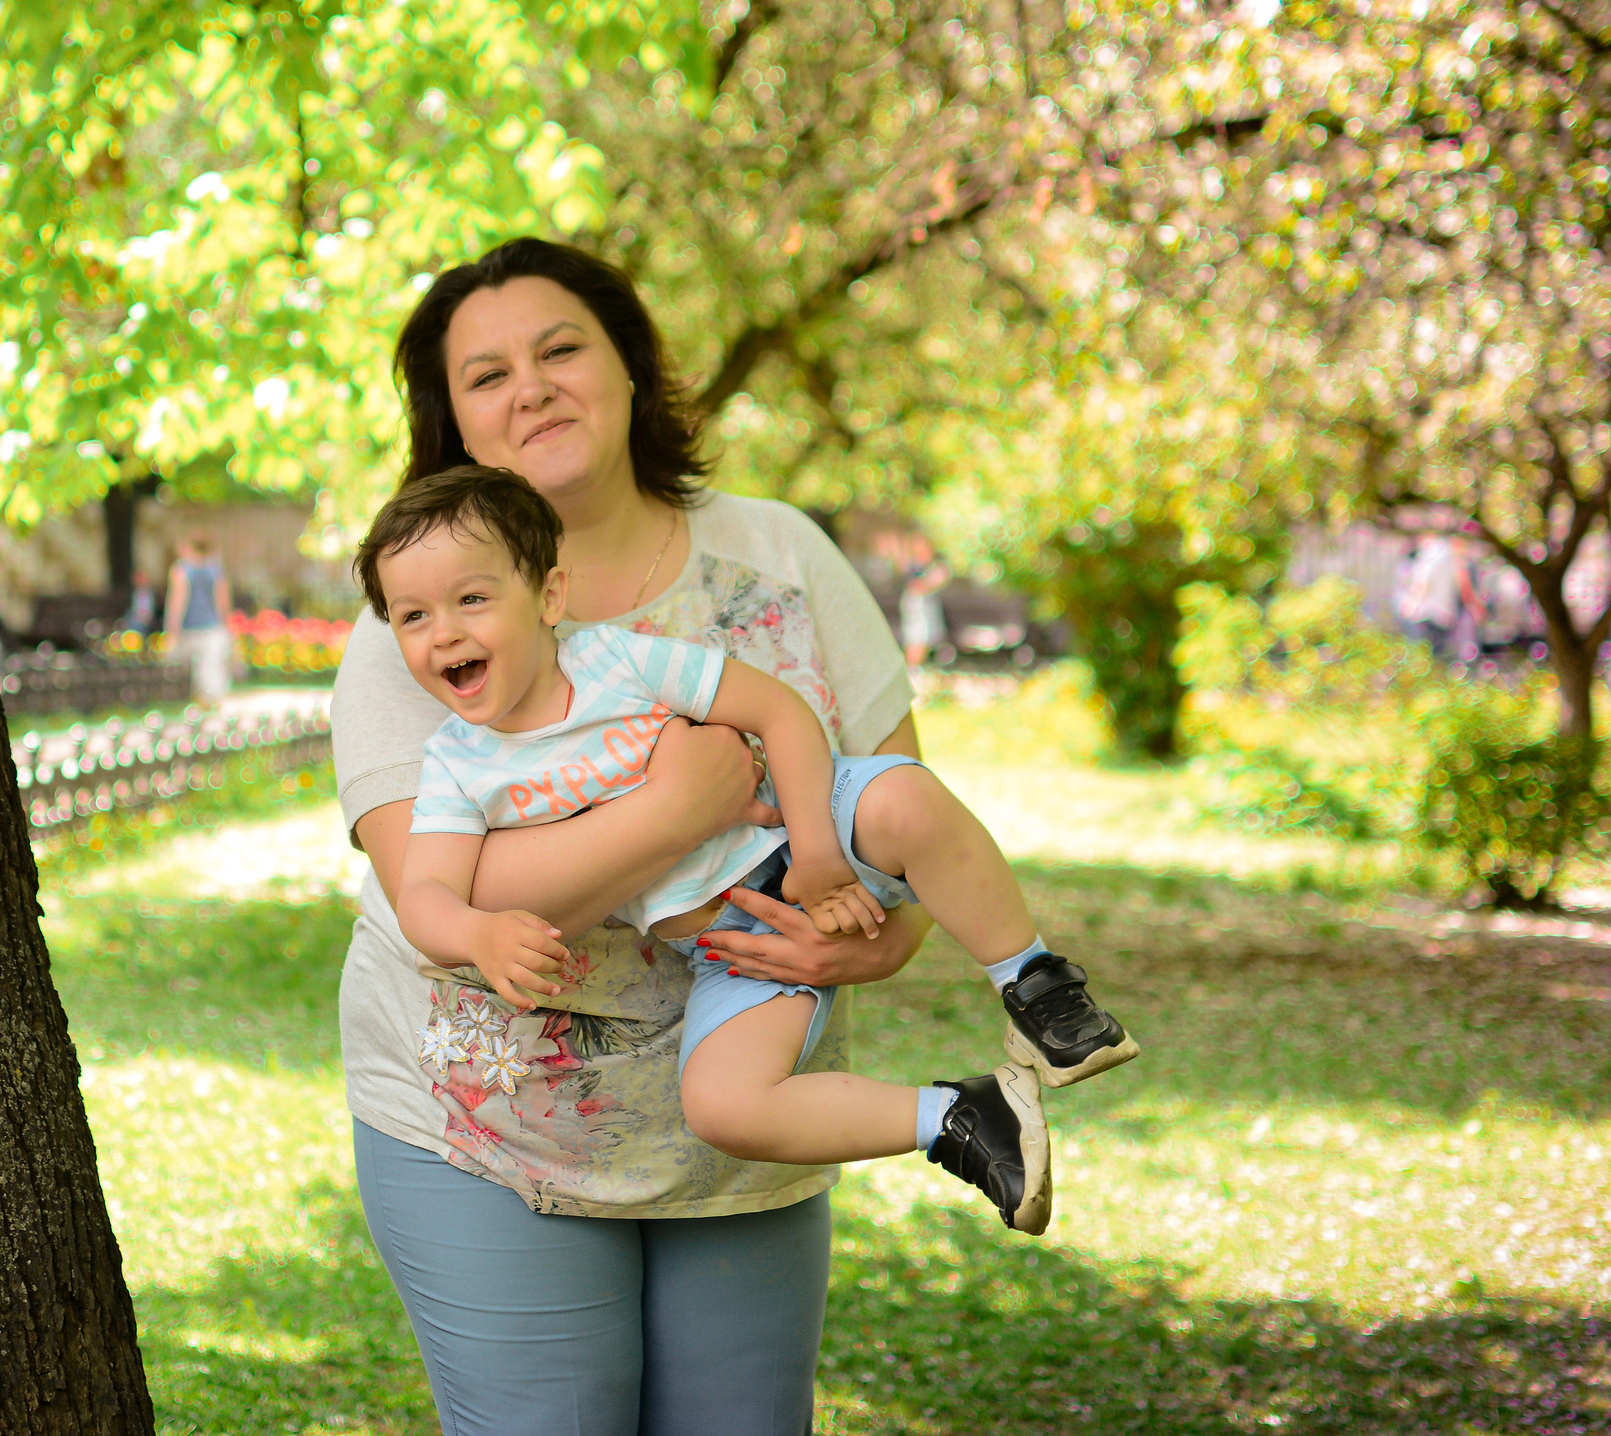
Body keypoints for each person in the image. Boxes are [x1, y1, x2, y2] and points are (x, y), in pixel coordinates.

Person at [330, 238, 1130, 1435]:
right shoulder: (420, 625)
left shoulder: (779, 556)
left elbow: (901, 822)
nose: (531, 387)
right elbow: (440, 891)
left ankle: (1036, 1001)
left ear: (630, 367)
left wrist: (878, 943)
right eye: (485, 375)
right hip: (492, 1134)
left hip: (745, 1102)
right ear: (452, 422)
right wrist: (676, 810)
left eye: (560, 350)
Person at [360, 464, 1142, 1235]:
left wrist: (818, 852)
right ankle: (961, 1115)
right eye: (412, 616)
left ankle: (1034, 982)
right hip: (736, 945)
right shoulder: (460, 765)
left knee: (905, 795)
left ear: (548, 596)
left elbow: (780, 712)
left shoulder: (616, 661)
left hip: (804, 819)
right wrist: (477, 932)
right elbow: (424, 895)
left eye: (472, 598)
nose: (446, 631)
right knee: (725, 1105)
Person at [163, 534, 234, 705]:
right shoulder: (216, 570)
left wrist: (171, 629)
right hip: (212, 627)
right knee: (211, 669)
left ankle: (198, 703)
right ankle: (212, 704)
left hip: (190, 627)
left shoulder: (181, 569)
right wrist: (227, 626)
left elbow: (177, 602)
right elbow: (223, 601)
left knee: (190, 669)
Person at [897, 537, 950, 669]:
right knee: (916, 638)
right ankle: (911, 668)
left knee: (924, 639)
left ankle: (916, 666)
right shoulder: (915, 567)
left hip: (926, 607)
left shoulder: (932, 566)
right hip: (917, 607)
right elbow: (917, 586)